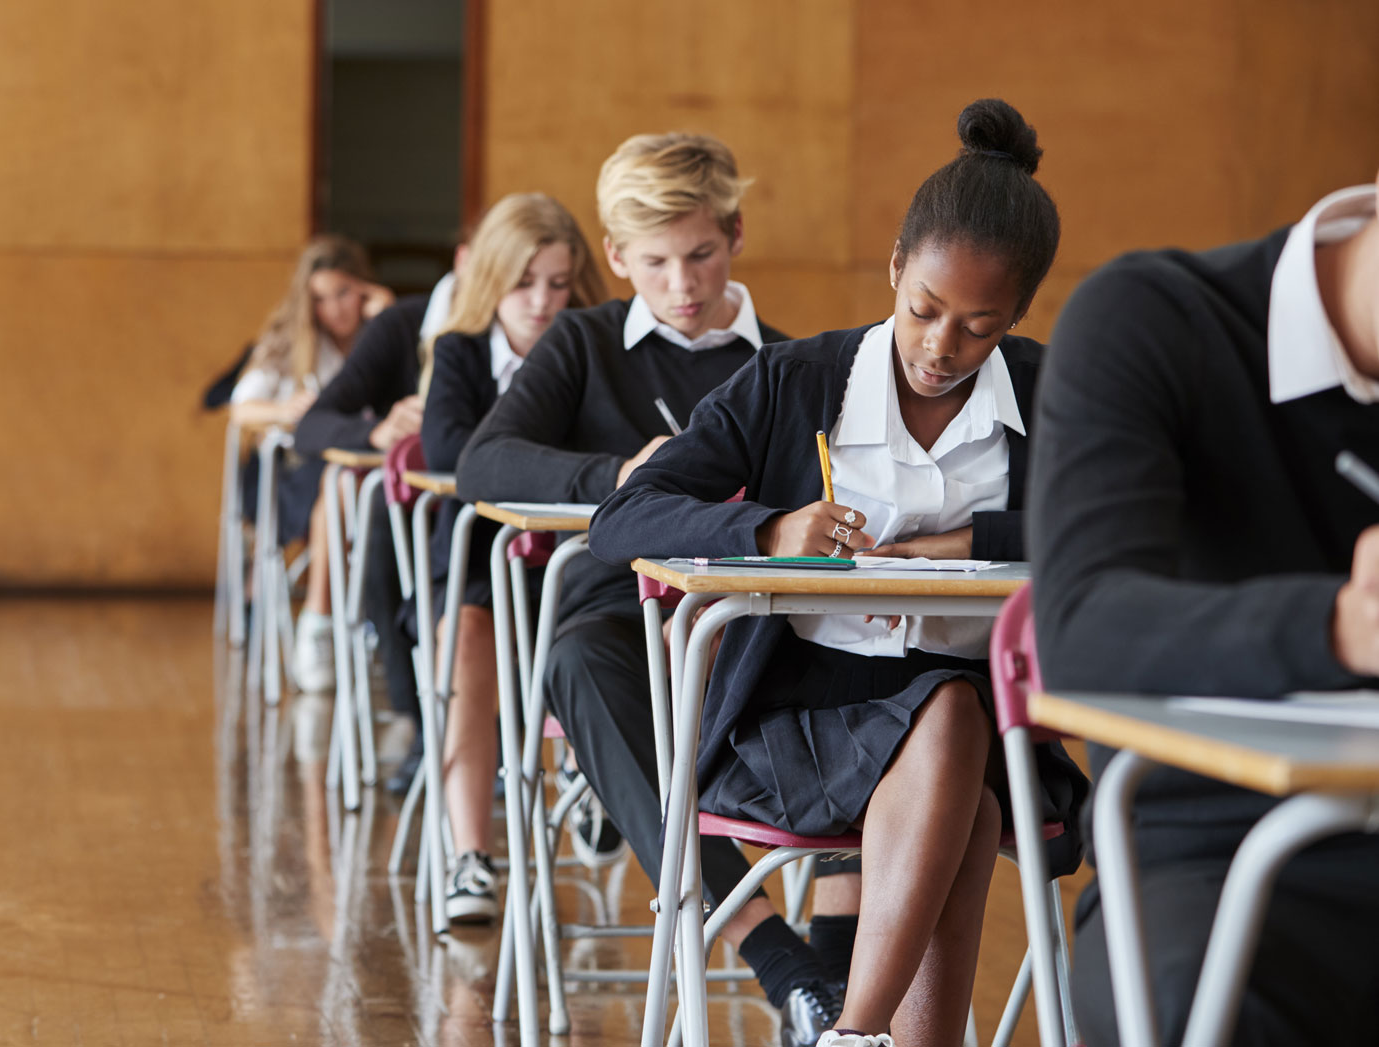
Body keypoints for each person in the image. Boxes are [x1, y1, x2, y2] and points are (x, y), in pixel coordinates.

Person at [588, 100, 1087, 1047]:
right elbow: (627, 516)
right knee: (955, 741)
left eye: (981, 327)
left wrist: (960, 544)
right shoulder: (792, 380)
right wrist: (770, 529)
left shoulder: (1049, 390)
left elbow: (1126, 525)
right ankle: (862, 1033)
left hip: (989, 730)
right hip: (797, 722)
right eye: (924, 309)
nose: (943, 348)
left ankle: (855, 1037)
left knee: (958, 739)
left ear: (1018, 315)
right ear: (896, 268)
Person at [458, 132, 883, 1046]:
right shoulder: (583, 344)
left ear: (735, 233)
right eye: (654, 263)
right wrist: (621, 473)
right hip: (616, 616)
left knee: (875, 672)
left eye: (700, 255)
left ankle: (841, 975)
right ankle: (787, 967)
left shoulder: (787, 360)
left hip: (755, 620)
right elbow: (482, 459)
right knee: (576, 660)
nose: (682, 284)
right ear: (616, 257)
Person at [1029, 167, 1379, 1045]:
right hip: (1216, 848)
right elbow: (1082, 629)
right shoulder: (1153, 319)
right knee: (1205, 1015)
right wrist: (1341, 624)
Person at [418, 192, 608, 921]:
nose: (541, 302)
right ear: (492, 278)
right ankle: (471, 853)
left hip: (574, 560)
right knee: (470, 634)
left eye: (558, 284)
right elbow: (450, 454)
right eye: (525, 283)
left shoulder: (591, 346)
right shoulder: (461, 352)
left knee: (602, 624)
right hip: (478, 565)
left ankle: (595, 772)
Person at [230, 235, 393, 692]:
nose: (335, 309)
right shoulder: (291, 341)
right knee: (336, 481)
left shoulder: (380, 338)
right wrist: (287, 411)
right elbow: (243, 409)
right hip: (301, 472)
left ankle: (353, 621)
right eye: (321, 298)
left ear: (364, 291)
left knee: (356, 485)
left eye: (344, 294)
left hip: (369, 470)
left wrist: (387, 315)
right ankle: (321, 619)